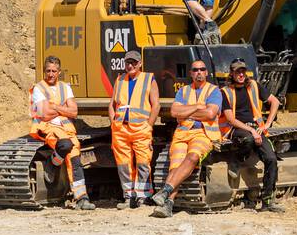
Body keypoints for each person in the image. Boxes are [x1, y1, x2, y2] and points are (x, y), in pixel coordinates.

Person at [150, 59, 224, 218]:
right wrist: (198, 107)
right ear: (190, 73)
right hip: (182, 133)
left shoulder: (214, 91)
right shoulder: (183, 91)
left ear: (206, 72)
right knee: (175, 166)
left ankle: (165, 192)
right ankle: (168, 205)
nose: (199, 72)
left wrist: (187, 111)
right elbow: (175, 112)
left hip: (204, 133)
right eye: (195, 70)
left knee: (192, 157)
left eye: (202, 69)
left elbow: (210, 113)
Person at [29, 56, 93, 210]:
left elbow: (74, 111)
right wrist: (63, 109)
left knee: (75, 160)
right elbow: (44, 114)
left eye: (54, 71)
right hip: (47, 127)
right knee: (65, 145)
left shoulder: (65, 87)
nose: (50, 74)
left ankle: (81, 198)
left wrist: (55, 108)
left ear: (59, 72)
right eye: (48, 71)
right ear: (44, 71)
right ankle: (52, 164)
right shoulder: (39, 88)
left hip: (67, 129)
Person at [221, 59, 285, 212]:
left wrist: (268, 124)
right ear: (232, 73)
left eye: (243, 71)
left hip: (257, 129)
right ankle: (237, 159)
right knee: (248, 139)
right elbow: (230, 119)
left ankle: (267, 200)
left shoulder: (254, 86)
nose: (241, 74)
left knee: (271, 159)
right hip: (236, 130)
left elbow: (275, 101)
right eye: (237, 72)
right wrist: (252, 131)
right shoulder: (225, 91)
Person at [109, 50, 160, 209]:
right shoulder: (120, 79)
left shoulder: (148, 79)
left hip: (140, 129)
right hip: (121, 129)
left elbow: (156, 105)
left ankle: (142, 198)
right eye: (127, 63)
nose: (130, 65)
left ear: (140, 64)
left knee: (143, 162)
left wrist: (149, 125)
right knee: (123, 164)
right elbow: (111, 105)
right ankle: (128, 197)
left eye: (133, 63)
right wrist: (113, 123)